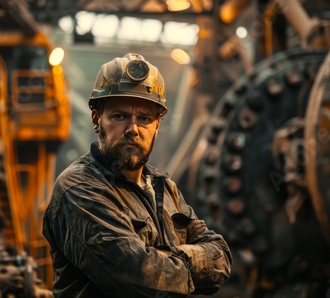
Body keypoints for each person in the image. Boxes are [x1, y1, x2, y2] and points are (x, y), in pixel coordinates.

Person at [43, 53, 232, 297]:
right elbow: (137, 279)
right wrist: (193, 261)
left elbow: (221, 257)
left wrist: (164, 261)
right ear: (96, 119)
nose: (133, 129)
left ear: (157, 126)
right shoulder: (79, 188)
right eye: (120, 116)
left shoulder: (165, 187)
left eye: (144, 118)